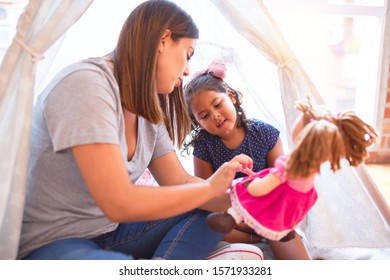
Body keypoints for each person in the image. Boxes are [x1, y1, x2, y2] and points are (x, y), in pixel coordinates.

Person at [17, 0, 256, 260]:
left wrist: (250, 199)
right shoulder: (86, 84)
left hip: (111, 233)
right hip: (53, 241)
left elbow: (183, 182)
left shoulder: (149, 113)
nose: (187, 70)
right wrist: (210, 189)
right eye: (187, 54)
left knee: (206, 208)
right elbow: (119, 202)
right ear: (163, 40)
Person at [183, 60, 312, 259]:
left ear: (231, 97)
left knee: (281, 225)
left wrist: (260, 214)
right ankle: (257, 239)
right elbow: (204, 194)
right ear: (197, 122)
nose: (215, 115)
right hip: (230, 212)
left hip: (266, 207)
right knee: (206, 223)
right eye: (204, 115)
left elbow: (281, 182)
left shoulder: (265, 134)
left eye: (217, 104)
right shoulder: (204, 147)